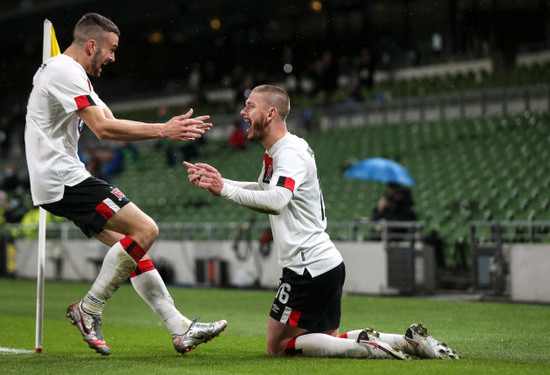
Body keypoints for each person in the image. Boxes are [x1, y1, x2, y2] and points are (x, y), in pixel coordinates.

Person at [184, 85, 459, 360]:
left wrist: (224, 190)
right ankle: (408, 341)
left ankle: (372, 347)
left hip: (306, 268)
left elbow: (277, 200)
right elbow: (265, 191)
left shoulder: (288, 153)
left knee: (277, 347)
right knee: (325, 341)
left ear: (270, 114)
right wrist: (220, 182)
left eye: (250, 106)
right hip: (325, 265)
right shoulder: (283, 150)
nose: (243, 113)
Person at [24, 13, 227, 356]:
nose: (114, 57)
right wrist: (163, 130)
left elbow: (113, 123)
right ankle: (89, 309)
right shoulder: (64, 71)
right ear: (92, 45)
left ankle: (181, 329)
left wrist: (163, 130)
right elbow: (103, 129)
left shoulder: (71, 76)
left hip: (59, 178)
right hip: (63, 178)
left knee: (132, 249)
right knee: (146, 230)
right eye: (112, 49)